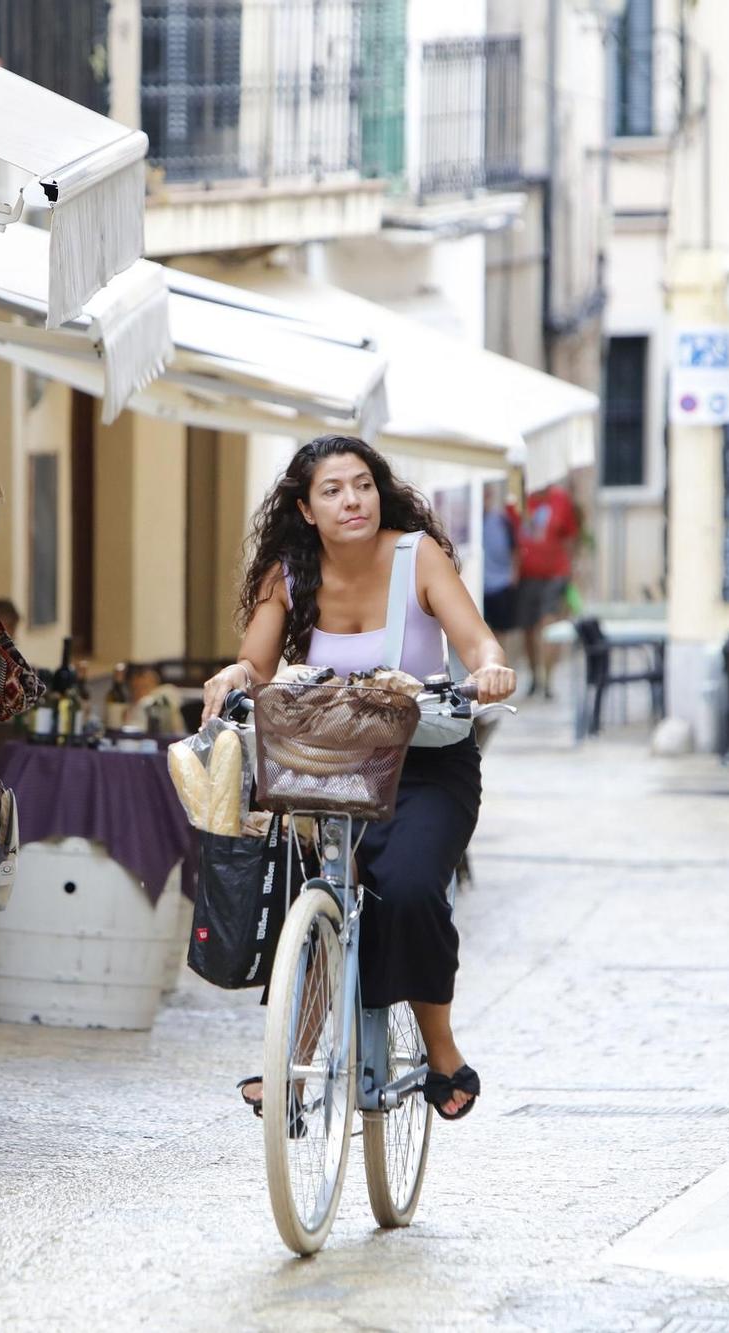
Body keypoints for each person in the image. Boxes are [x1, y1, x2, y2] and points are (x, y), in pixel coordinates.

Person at [201, 436, 515, 1121]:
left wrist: (489, 667)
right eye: (334, 489)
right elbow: (255, 664)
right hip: (334, 764)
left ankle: (441, 1049)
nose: (353, 500)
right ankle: (293, 1063)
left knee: (404, 887)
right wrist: (232, 675)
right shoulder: (287, 573)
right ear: (306, 509)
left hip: (427, 765)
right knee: (318, 894)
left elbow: (477, 640)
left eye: (363, 485)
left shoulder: (417, 555)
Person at [516, 482, 580, 699]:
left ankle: (548, 680)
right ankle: (535, 676)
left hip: (555, 573)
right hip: (526, 575)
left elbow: (571, 537)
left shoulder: (560, 500)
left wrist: (570, 570)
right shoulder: (519, 499)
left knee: (548, 625)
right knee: (528, 628)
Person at [481, 483, 519, 650]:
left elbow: (515, 548)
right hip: (479, 584)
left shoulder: (502, 520)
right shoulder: (471, 521)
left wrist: (513, 574)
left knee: (500, 631)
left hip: (500, 584)